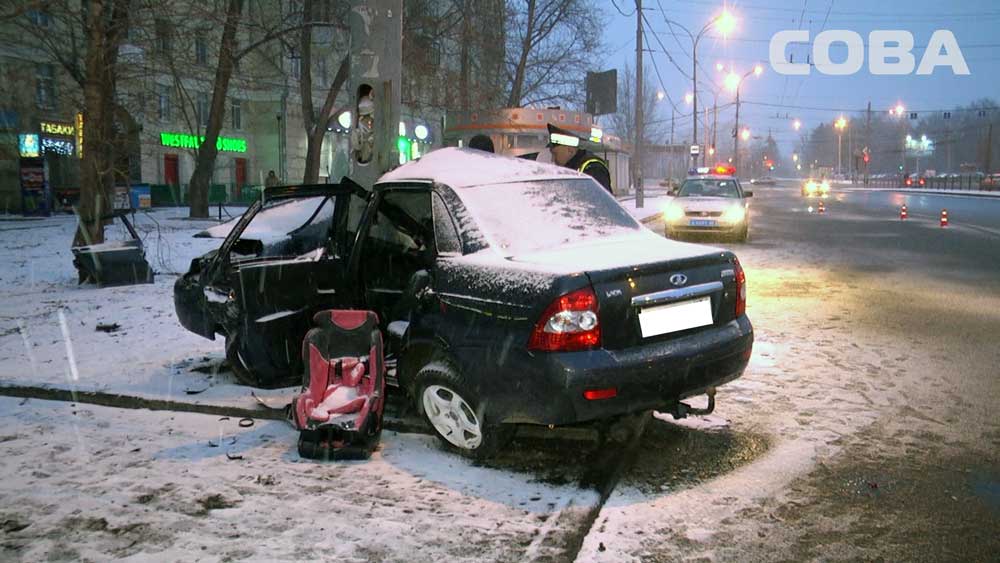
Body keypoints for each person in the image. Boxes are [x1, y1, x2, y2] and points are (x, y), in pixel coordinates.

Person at [546, 123, 612, 192]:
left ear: (570, 150)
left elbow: (597, 201)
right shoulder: (571, 169)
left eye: (555, 154)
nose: (553, 159)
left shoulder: (593, 169)